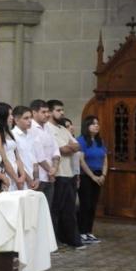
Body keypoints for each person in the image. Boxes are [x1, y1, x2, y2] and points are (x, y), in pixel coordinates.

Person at [45, 99, 83, 248]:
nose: (62, 112)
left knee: (70, 209)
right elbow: (61, 150)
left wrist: (69, 147)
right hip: (58, 174)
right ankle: (54, 242)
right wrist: (68, 147)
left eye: (62, 110)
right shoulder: (47, 128)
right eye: (58, 110)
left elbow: (77, 145)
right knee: (55, 210)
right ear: (50, 111)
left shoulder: (63, 128)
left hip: (69, 174)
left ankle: (72, 239)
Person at [77, 116, 107, 244]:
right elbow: (81, 160)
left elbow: (105, 159)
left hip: (99, 174)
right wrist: (92, 176)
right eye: (93, 124)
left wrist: (103, 175)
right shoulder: (81, 140)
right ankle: (81, 232)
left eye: (97, 123)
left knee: (93, 205)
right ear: (86, 126)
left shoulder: (100, 141)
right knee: (85, 204)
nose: (96, 125)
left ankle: (89, 232)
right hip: (86, 176)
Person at [29, 99, 60, 206]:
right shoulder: (31, 128)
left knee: (47, 210)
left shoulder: (48, 127)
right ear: (34, 113)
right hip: (38, 177)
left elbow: (55, 149)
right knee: (36, 210)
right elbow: (38, 154)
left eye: (48, 112)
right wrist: (50, 170)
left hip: (50, 176)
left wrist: (54, 168)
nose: (47, 115)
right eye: (43, 112)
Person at [0, 102, 26, 191]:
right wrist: (16, 179)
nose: (12, 117)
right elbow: (4, 159)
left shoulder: (9, 132)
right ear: (2, 116)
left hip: (16, 172)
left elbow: (17, 156)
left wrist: (22, 175)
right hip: (7, 174)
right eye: (9, 114)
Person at [12, 105, 40, 190]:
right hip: (21, 179)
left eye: (31, 117)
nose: (30, 121)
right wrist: (29, 180)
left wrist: (36, 178)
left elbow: (34, 159)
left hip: (33, 179)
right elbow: (17, 160)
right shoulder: (13, 135)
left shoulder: (31, 134)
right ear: (16, 120)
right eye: (26, 118)